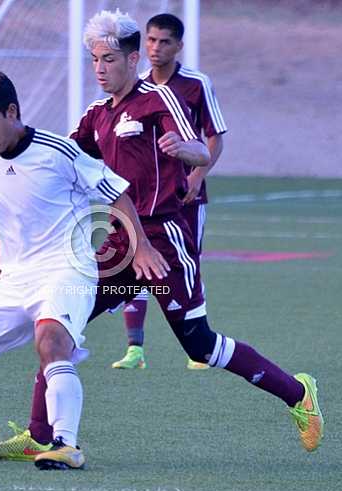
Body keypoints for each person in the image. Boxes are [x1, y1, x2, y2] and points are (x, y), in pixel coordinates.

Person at [0, 10, 324, 465]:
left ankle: (299, 393)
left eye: (108, 59)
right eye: (94, 60)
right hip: (122, 242)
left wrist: (186, 150)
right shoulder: (96, 116)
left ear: (133, 58)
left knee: (199, 344)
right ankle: (41, 436)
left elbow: (202, 148)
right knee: (59, 318)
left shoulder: (158, 101)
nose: (100, 68)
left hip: (164, 240)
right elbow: (56, 154)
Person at [0, 69, 169, 470]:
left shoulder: (58, 151)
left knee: (51, 341)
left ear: (12, 111)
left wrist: (140, 248)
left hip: (66, 271)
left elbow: (116, 191)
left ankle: (65, 443)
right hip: (16, 280)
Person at [113, 13, 227, 371]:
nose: (155, 48)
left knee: (187, 263)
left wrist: (196, 176)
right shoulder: (138, 87)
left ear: (179, 46)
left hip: (187, 194)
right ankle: (135, 347)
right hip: (144, 199)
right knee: (133, 260)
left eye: (164, 41)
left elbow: (214, 137)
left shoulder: (195, 84)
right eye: (150, 40)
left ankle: (198, 347)